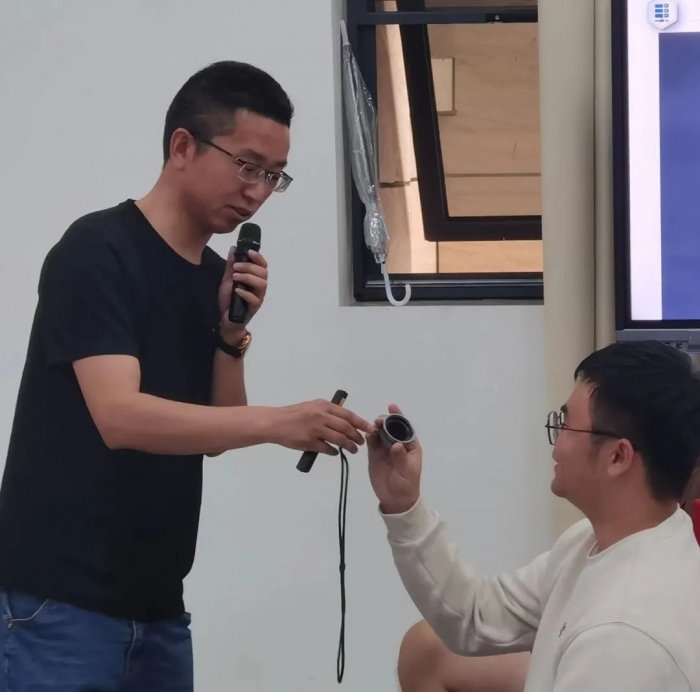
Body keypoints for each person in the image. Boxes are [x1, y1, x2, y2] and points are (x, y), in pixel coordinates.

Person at [0, 60, 371, 691]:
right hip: (58, 606)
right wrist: (281, 422)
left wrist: (231, 337)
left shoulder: (213, 279)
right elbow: (120, 417)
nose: (257, 191)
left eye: (274, 176)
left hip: (160, 607)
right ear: (181, 146)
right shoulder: (97, 251)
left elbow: (218, 430)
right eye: (248, 165)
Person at [368, 340, 700, 692]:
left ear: (618, 457)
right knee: (423, 647)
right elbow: (476, 616)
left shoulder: (622, 639)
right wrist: (403, 504)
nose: (556, 443)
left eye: (566, 424)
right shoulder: (594, 541)